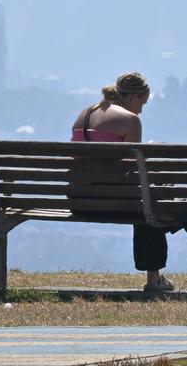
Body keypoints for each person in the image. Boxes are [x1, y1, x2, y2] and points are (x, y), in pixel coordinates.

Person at [70, 72, 174, 292]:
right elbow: (131, 169)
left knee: (146, 201)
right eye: (142, 103)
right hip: (112, 203)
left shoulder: (84, 114)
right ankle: (153, 278)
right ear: (133, 97)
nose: (142, 110)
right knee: (149, 204)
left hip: (78, 201)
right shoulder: (131, 120)